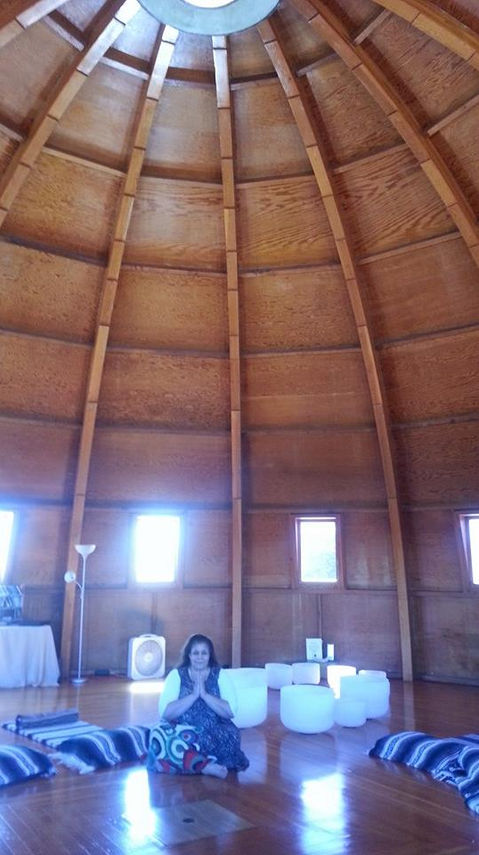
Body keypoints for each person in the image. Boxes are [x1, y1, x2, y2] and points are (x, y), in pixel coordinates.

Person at [147, 633, 249, 778]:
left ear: (209, 655)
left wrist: (205, 695)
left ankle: (184, 762)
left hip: (215, 732)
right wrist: (193, 695)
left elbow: (230, 711)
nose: (200, 657)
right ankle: (205, 767)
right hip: (183, 731)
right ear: (189, 655)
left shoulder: (220, 674)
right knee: (157, 731)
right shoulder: (176, 675)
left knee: (230, 734)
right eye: (195, 653)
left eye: (204, 653)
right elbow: (166, 713)